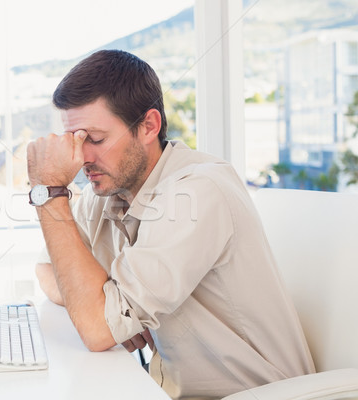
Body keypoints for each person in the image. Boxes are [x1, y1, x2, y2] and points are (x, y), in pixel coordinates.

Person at [26, 49, 315, 399]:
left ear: (149, 126)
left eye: (96, 139)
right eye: (75, 141)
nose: (83, 158)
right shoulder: (107, 192)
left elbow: (97, 329)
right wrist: (108, 303)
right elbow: (46, 270)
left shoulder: (197, 193)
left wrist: (50, 192)